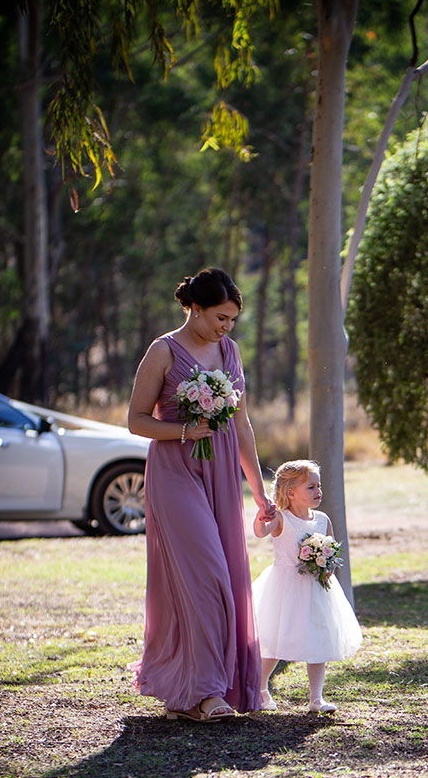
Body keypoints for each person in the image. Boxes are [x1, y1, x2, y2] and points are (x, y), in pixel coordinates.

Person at [127, 267, 276, 721]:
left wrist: (260, 492)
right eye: (219, 317)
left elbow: (243, 425)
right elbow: (136, 420)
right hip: (175, 474)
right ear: (195, 307)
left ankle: (195, 690)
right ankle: (205, 693)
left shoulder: (229, 351)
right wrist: (186, 429)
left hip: (221, 475)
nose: (225, 327)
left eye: (231, 320)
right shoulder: (163, 351)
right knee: (207, 575)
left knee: (226, 577)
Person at [252, 459, 362, 713]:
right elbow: (260, 532)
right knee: (274, 638)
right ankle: (260, 688)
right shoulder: (281, 518)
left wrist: (327, 568)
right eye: (311, 487)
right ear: (290, 493)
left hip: (317, 587)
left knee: (319, 638)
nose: (318, 491)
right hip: (285, 587)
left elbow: (332, 549)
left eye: (319, 486)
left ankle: (316, 698)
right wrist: (261, 518)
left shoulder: (322, 519)